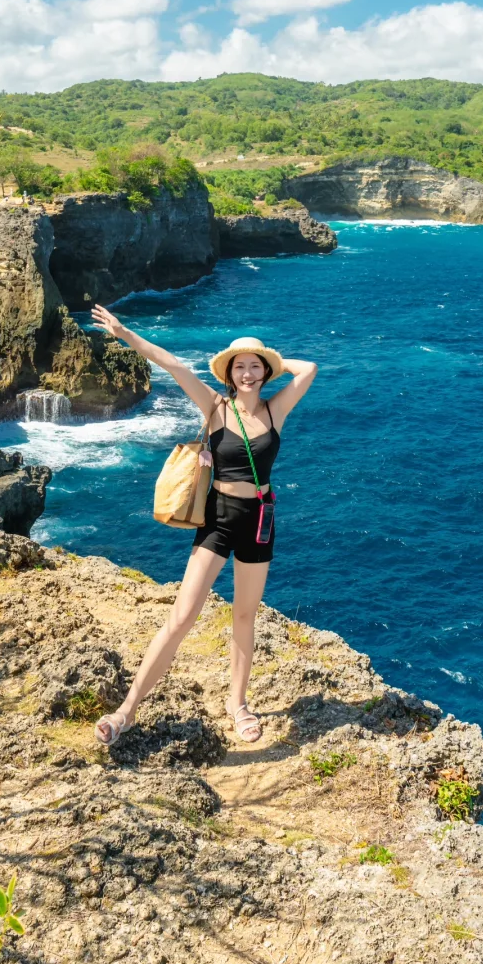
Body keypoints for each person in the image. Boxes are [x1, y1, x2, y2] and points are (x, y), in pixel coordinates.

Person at [88, 304, 317, 746]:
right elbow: (172, 364)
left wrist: (273, 360)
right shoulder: (214, 406)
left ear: (265, 373)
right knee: (182, 616)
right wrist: (124, 333)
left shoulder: (275, 411)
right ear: (228, 374)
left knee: (244, 616)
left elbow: (308, 369)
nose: (248, 374)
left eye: (255, 367)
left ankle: (238, 704)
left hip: (260, 518)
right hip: (218, 517)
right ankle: (126, 711)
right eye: (240, 367)